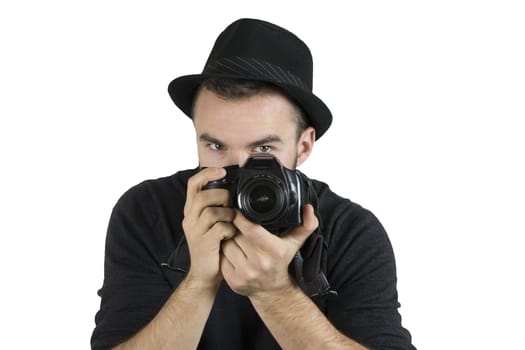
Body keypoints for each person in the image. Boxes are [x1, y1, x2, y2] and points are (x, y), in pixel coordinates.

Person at [91, 18, 416, 350]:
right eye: (216, 146)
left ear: (303, 146)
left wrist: (275, 293)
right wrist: (199, 281)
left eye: (263, 149)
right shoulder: (147, 212)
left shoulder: (349, 230)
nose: (238, 170)